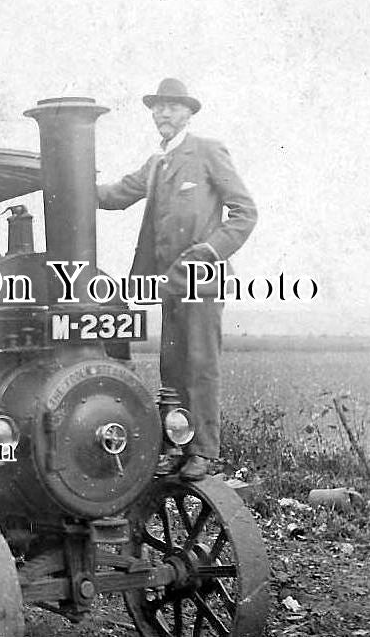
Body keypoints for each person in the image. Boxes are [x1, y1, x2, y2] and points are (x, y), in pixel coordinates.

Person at [96, 78, 257, 480]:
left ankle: (203, 450)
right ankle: (177, 446)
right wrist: (69, 178)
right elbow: (115, 195)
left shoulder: (207, 152)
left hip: (202, 283)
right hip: (168, 287)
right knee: (172, 367)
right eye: (157, 107)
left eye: (171, 106)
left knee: (200, 365)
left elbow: (245, 212)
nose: (162, 113)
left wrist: (210, 251)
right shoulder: (157, 164)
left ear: (189, 111)